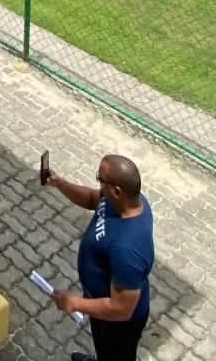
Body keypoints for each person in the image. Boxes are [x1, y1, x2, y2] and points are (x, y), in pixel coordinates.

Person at [41, 153, 155, 361]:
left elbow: (121, 309)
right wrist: (59, 183)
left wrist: (74, 303)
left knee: (115, 355)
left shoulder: (127, 250)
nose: (98, 183)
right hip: (102, 310)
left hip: (117, 325)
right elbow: (93, 199)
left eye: (100, 179)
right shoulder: (124, 202)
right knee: (105, 352)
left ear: (117, 191)